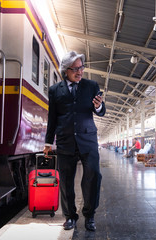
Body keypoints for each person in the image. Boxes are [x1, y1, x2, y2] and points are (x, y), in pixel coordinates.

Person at [43, 51, 106, 231]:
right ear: (66, 70)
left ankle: (89, 215)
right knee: (66, 181)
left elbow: (101, 111)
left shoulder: (92, 86)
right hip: (65, 141)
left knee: (93, 177)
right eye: (75, 69)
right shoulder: (55, 90)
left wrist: (99, 106)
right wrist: (48, 143)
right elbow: (52, 117)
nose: (80, 72)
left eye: (81, 67)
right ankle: (70, 216)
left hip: (88, 140)